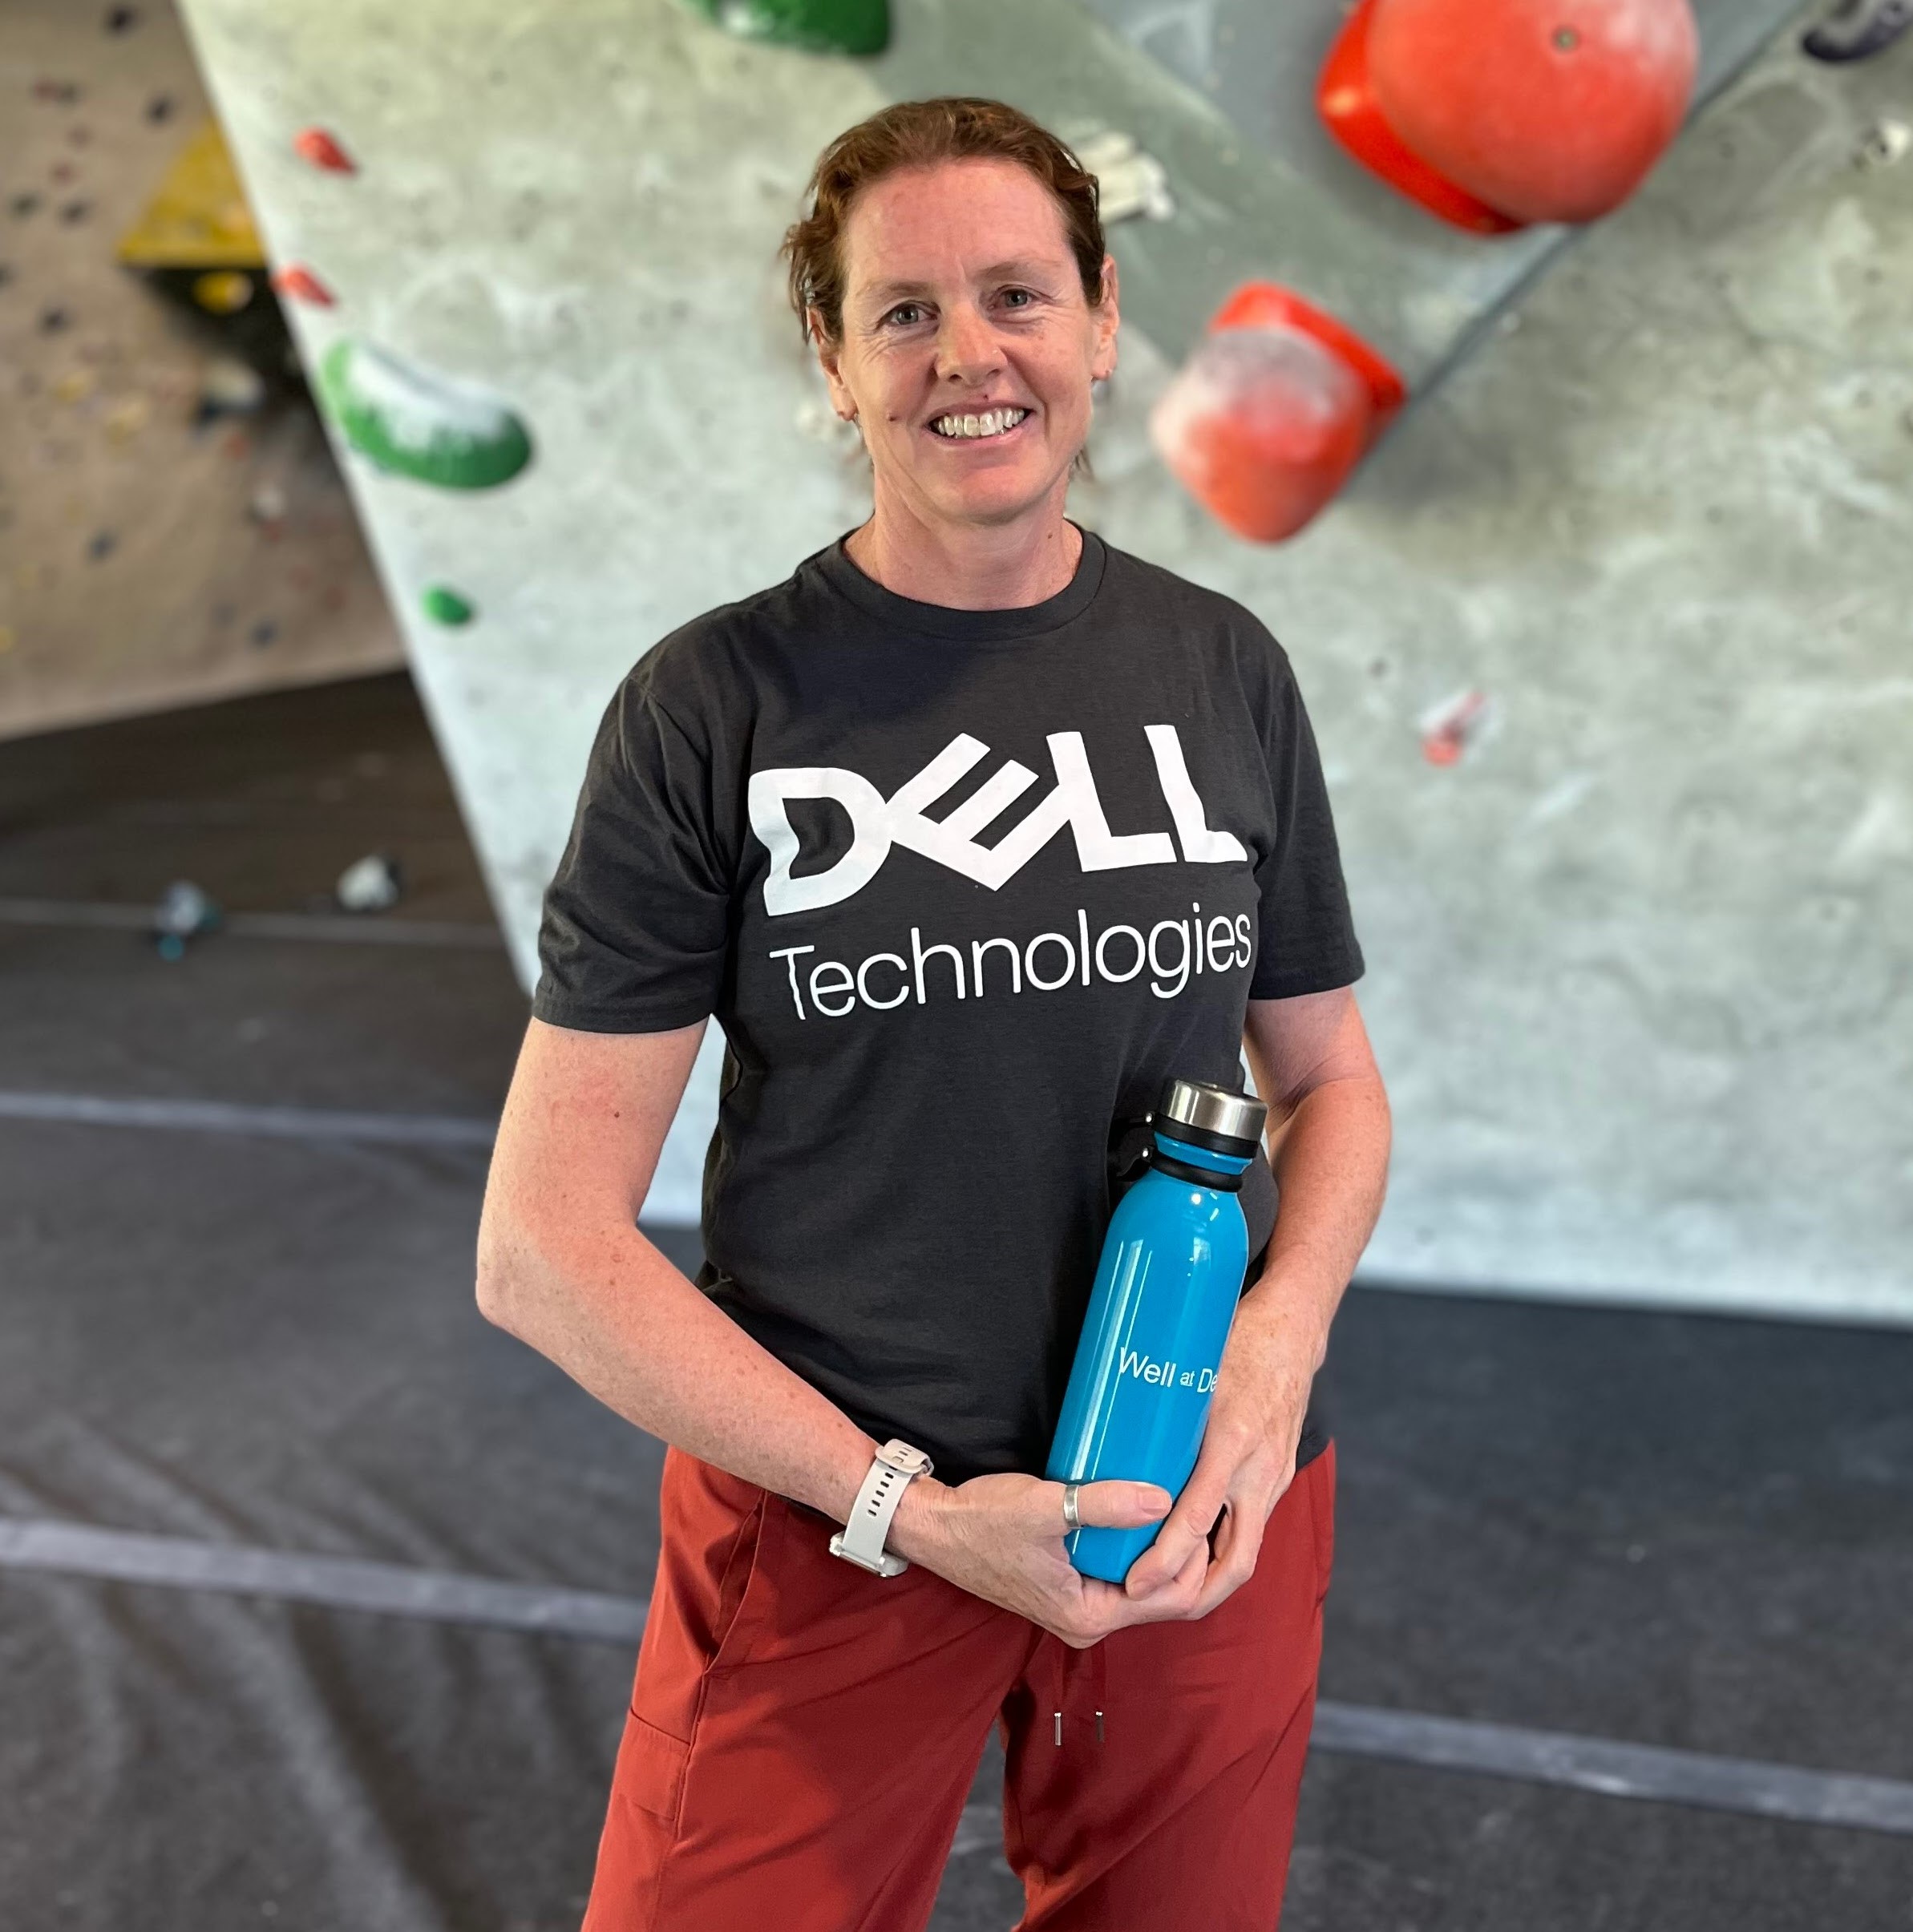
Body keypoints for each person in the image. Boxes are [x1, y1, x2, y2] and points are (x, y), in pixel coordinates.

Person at [477, 95, 1392, 1932]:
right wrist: (897, 1500)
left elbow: (1329, 1085)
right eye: (901, 311)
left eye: (1014, 295)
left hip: (1191, 1499)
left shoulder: (1220, 666)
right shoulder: (714, 704)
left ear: (1101, 317)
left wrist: (1272, 1355)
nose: (969, 354)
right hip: (838, 1513)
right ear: (831, 359)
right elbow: (543, 1245)